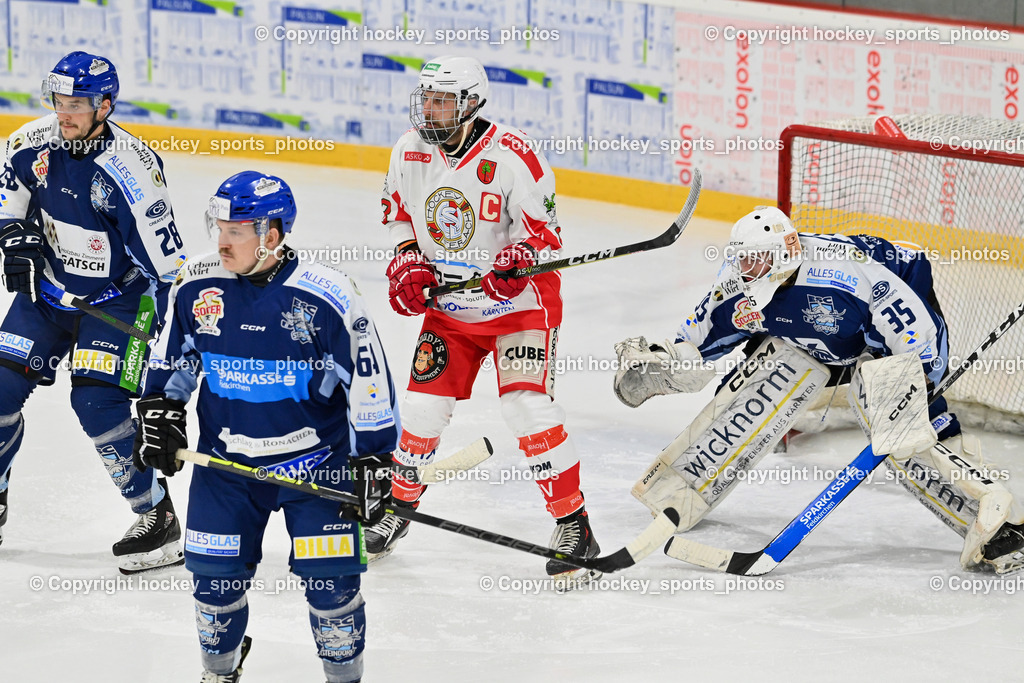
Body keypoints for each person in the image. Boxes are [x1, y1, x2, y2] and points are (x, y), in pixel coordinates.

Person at [615, 206, 1024, 574]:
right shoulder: (740, 284)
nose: (746, 269)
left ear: (785, 253)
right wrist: (669, 362)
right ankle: (688, 486)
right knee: (769, 371)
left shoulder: (849, 279)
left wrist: (917, 387)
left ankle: (994, 522)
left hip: (890, 320)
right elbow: (699, 341)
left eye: (755, 260)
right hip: (816, 339)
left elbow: (922, 338)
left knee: (891, 420)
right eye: (742, 259)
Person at [133, 171, 399, 682]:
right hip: (226, 467)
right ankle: (220, 672)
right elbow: (175, 357)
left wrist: (373, 458)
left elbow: (368, 381)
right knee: (213, 585)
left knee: (332, 587)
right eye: (220, 228)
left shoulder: (326, 296)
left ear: (271, 235)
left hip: (318, 470)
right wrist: (161, 409)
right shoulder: (196, 284)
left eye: (235, 230)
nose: (222, 240)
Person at [374, 54, 600, 584]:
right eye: (426, 97)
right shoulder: (409, 150)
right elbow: (399, 214)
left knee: (525, 406)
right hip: (451, 307)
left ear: (472, 104)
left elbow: (546, 236)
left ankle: (575, 524)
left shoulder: (513, 156)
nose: (430, 109)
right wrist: (407, 258)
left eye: (443, 100)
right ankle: (396, 508)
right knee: (422, 410)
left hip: (517, 306)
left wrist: (520, 260)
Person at [0, 51, 187, 572]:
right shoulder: (29, 143)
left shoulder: (132, 170)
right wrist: (14, 236)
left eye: (77, 102)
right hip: (51, 293)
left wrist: (165, 366)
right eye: (58, 99)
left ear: (105, 105)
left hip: (120, 302)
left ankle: (157, 516)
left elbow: (167, 270)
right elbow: (7, 199)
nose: (64, 112)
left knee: (97, 404)